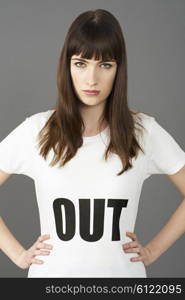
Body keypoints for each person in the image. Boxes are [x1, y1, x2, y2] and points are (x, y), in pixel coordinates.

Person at [0, 8, 185, 278]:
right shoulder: (36, 131)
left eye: (105, 65)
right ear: (67, 66)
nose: (92, 79)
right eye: (81, 63)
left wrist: (153, 251)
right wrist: (17, 254)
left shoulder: (143, 132)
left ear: (118, 69)